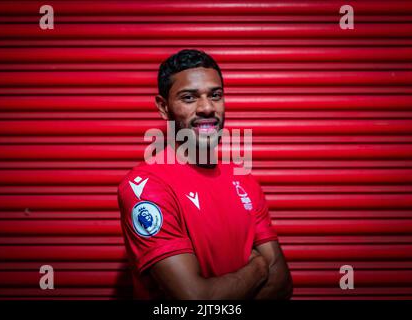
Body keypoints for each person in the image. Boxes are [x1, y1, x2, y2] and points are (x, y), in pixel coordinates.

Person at [117, 49, 293, 299]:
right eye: (189, 97)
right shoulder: (145, 187)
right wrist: (257, 267)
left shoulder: (244, 180)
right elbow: (196, 300)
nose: (207, 108)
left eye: (216, 95)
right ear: (163, 107)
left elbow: (282, 285)